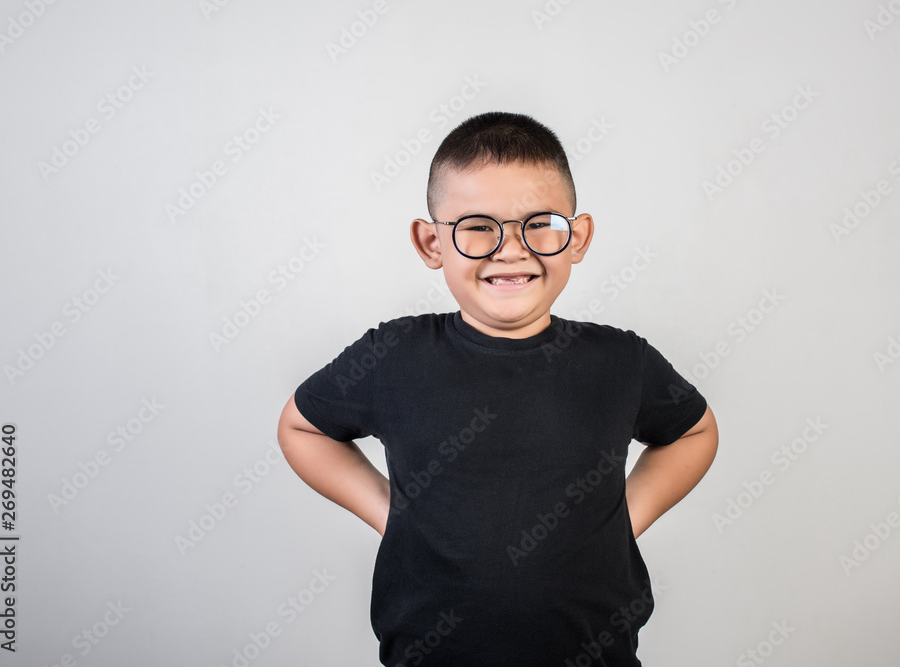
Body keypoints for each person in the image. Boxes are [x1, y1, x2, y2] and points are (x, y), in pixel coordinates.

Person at [277, 111, 719, 666]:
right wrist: (394, 518)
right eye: (478, 226)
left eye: (540, 223)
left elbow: (694, 432)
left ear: (578, 238)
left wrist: (618, 522)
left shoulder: (621, 361)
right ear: (431, 243)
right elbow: (302, 428)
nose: (511, 249)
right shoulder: (393, 356)